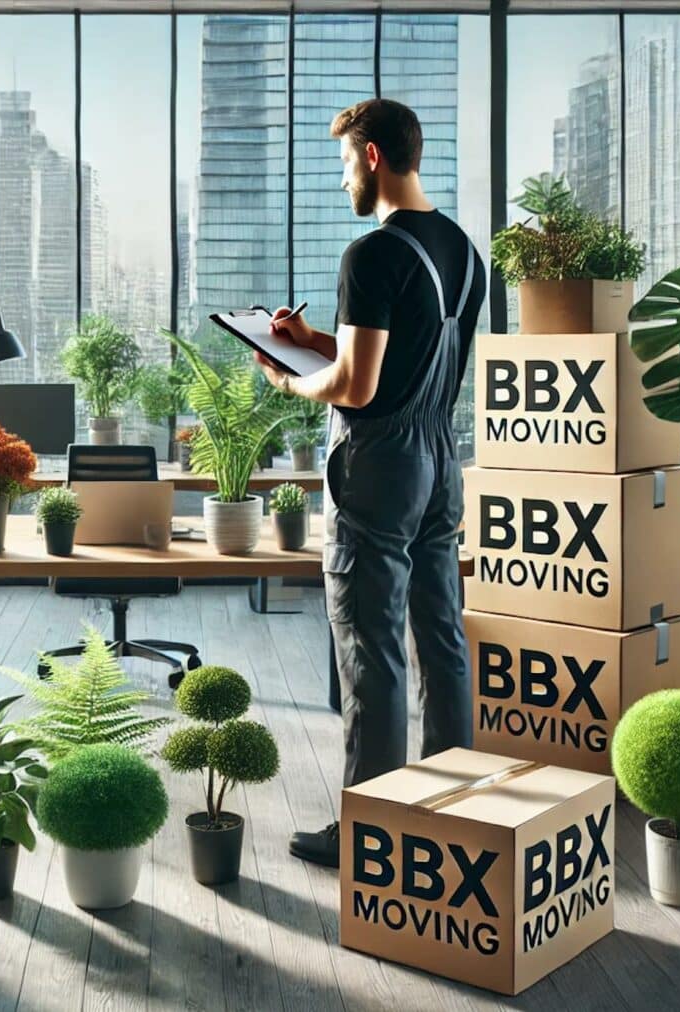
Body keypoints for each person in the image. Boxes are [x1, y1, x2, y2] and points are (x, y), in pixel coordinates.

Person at [254, 98, 486, 868]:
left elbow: (356, 387)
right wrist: (308, 339)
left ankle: (370, 831)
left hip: (379, 469)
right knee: (442, 640)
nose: (344, 176)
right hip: (438, 463)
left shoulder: (371, 254)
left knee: (373, 650)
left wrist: (287, 380)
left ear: (374, 156)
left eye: (345, 160)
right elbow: (401, 354)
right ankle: (453, 804)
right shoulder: (462, 251)